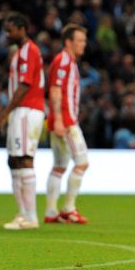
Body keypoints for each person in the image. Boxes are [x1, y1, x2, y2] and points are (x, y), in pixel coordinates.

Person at [0, 12, 45, 230]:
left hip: (27, 110)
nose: (7, 34)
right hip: (20, 111)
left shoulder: (29, 51)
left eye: (10, 30)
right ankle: (23, 212)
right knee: (13, 161)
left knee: (25, 159)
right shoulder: (20, 53)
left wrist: (5, 111)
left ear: (22, 29)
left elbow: (25, 86)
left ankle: (31, 217)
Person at [44, 24, 89, 224]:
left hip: (59, 120)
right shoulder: (63, 61)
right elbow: (55, 90)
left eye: (84, 40)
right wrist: (60, 120)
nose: (83, 44)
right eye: (79, 40)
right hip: (66, 121)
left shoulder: (68, 61)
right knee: (81, 163)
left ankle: (51, 212)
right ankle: (69, 208)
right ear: (68, 42)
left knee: (59, 166)